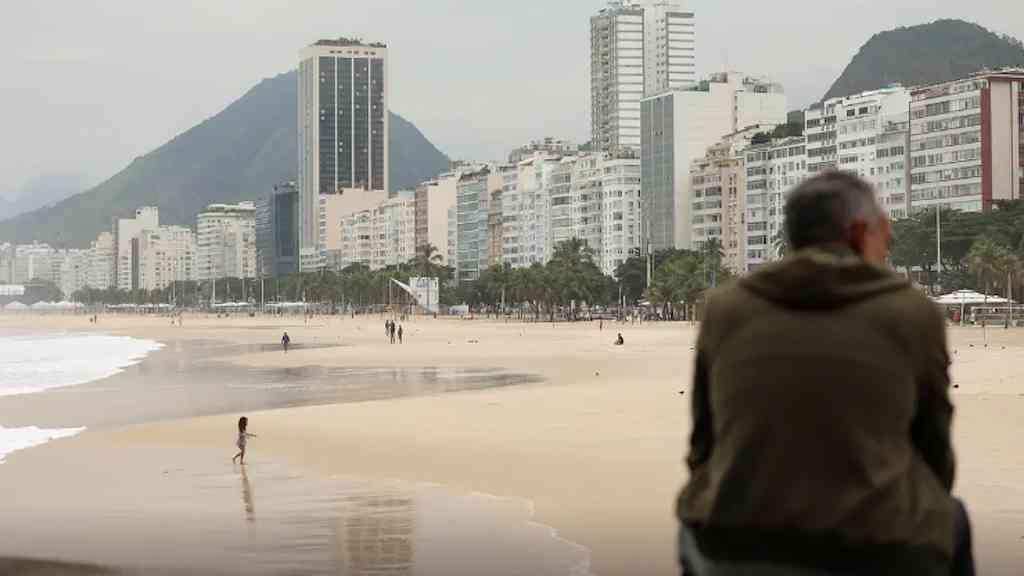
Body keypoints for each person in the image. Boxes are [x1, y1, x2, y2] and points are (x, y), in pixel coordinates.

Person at [677, 171, 973, 576]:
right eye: (883, 231)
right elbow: (935, 449)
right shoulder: (912, 311)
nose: (887, 244)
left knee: (694, 519)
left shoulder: (725, 307)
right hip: (878, 549)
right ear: (857, 234)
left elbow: (703, 447)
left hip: (735, 541)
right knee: (952, 519)